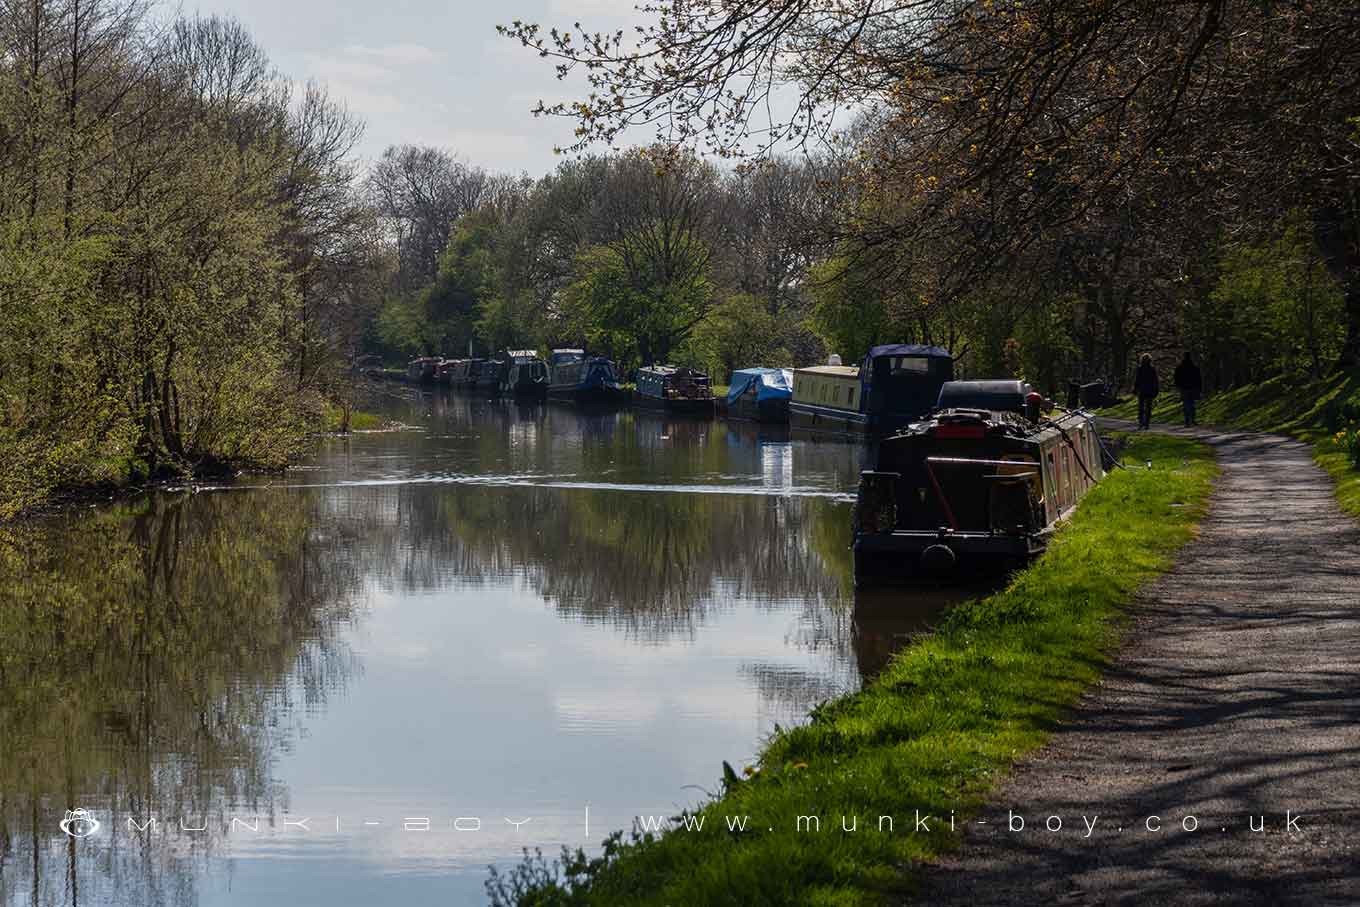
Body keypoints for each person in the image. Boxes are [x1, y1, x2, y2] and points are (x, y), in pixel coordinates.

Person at [1174, 352, 1203, 427]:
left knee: (1186, 404)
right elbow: (1198, 378)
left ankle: (1187, 421)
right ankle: (1192, 420)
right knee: (1192, 404)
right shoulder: (1194, 367)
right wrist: (1199, 388)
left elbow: (1176, 378)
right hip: (1193, 387)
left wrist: (1178, 386)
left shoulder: (1180, 367)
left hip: (1183, 388)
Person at [1133, 354, 1159, 430]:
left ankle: (1141, 422)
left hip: (1142, 390)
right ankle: (1147, 423)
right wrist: (1156, 389)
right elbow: (1155, 381)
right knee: (1148, 407)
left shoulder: (1140, 369)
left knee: (1141, 407)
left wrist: (1135, 389)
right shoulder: (1152, 369)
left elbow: (1137, 380)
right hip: (1150, 390)